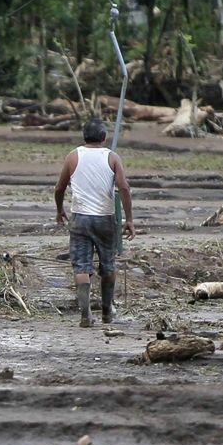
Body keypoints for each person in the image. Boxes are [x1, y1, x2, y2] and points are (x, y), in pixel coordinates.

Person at [53, 117, 136, 326]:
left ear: (84, 137)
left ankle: (86, 315)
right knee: (108, 265)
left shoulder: (73, 157)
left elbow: (59, 188)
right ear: (103, 137)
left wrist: (59, 210)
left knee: (81, 267)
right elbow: (123, 188)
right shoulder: (112, 158)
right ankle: (107, 310)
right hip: (105, 219)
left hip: (80, 218)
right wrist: (129, 219)